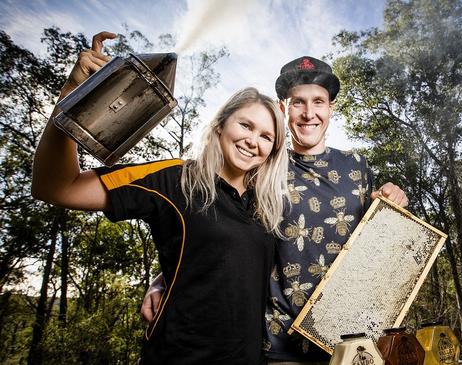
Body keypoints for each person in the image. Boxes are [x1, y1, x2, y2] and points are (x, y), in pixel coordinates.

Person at [32, 31, 289, 364]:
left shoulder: (264, 206)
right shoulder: (174, 178)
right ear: (220, 126)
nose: (253, 140)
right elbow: (56, 186)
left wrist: (161, 279)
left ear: (273, 151)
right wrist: (72, 96)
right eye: (246, 125)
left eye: (266, 136)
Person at [141, 56, 408, 364]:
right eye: (298, 102)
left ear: (330, 108)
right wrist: (164, 279)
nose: (309, 113)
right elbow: (216, 228)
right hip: (281, 342)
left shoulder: (357, 166)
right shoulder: (261, 169)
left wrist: (392, 202)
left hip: (353, 342)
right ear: (284, 109)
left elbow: (372, 242)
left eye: (318, 102)